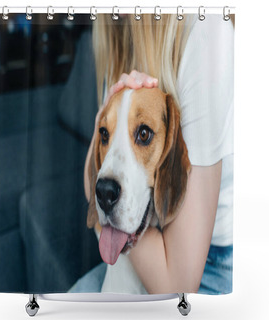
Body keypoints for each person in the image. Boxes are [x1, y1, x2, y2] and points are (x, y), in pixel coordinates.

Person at [70, 13, 234, 295]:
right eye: (105, 136)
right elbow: (91, 184)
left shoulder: (207, 31)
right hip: (143, 244)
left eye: (143, 134)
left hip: (214, 264)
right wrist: (104, 116)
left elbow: (179, 288)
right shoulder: (117, 35)